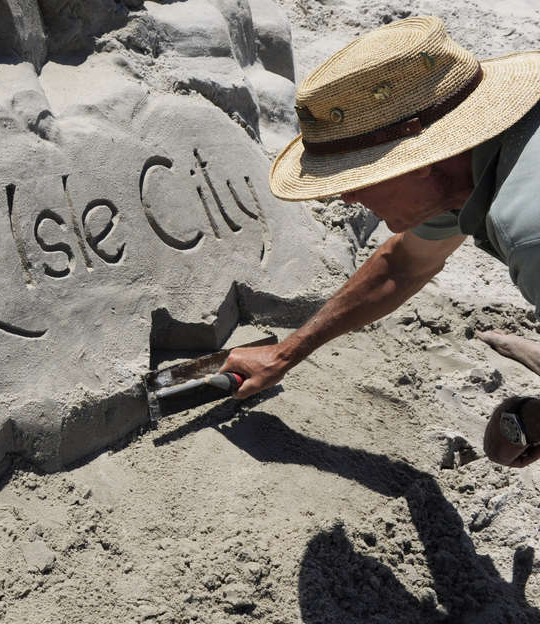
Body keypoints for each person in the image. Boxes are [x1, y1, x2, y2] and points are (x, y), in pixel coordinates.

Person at [218, 16, 540, 467]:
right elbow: (403, 265)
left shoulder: (528, 228)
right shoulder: (464, 169)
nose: (347, 195)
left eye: (358, 176)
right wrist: (285, 352)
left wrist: (527, 420)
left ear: (421, 162)